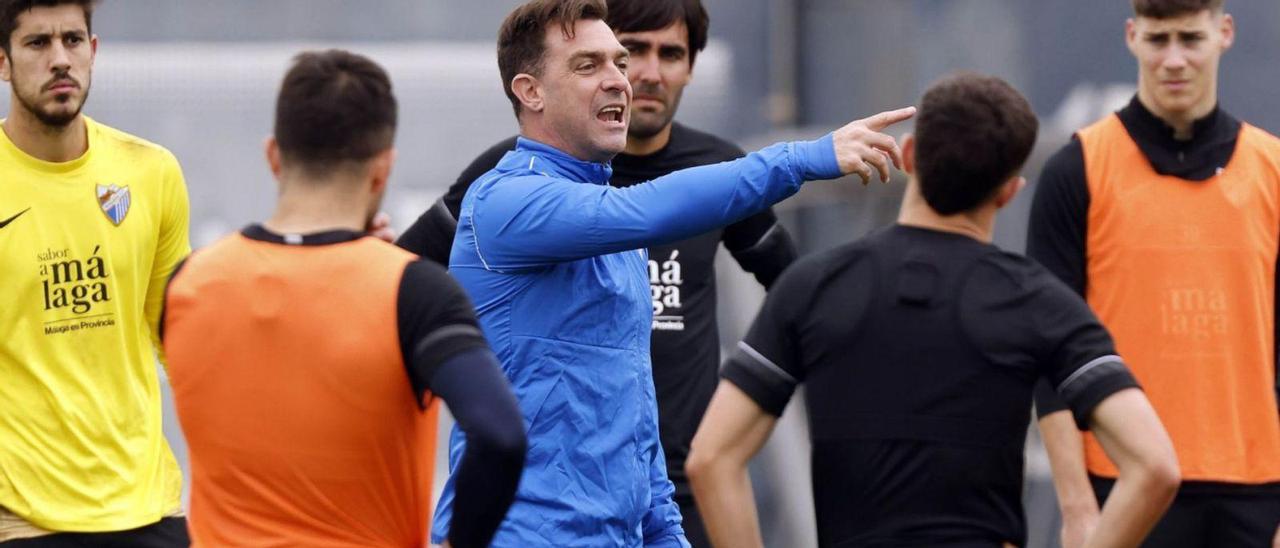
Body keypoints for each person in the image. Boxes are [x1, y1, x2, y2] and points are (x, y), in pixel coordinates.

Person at [426, 0, 913, 545]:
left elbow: (636, 424)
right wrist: (803, 159)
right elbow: (643, 211)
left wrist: (666, 534)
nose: (621, 80)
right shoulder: (506, 197)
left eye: (617, 62)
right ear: (530, 91)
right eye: (589, 66)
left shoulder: (620, 235)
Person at [685, 72, 1182, 548]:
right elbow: (1155, 466)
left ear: (908, 155)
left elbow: (711, 458)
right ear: (1010, 191)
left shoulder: (814, 286)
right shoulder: (1040, 302)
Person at [161, 50, 526, 547]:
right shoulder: (411, 292)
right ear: (382, 170)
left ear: (272, 156)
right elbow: (500, 437)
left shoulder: (187, 284)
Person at [1029, 1, 1280, 546]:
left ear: (1225, 33)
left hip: (1254, 486)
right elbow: (1047, 356)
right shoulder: (1079, 169)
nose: (1173, 59)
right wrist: (1075, 509)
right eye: (1157, 39)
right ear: (1131, 37)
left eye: (1190, 39)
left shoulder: (1272, 170)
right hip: (1122, 486)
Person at [0, 1, 191, 545]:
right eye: (38, 44)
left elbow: (175, 335)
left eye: (73, 40)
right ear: (4, 62)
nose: (60, 59)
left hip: (148, 507)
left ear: (94, 50)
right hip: (22, 520)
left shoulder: (151, 172)